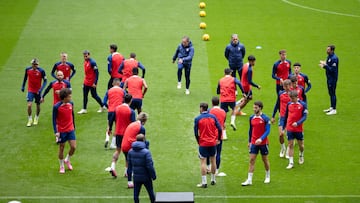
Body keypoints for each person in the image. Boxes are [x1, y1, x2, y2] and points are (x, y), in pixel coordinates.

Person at [241, 101, 271, 186]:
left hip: (263, 143)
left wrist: (261, 139)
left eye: (256, 108)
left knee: (264, 160)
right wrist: (249, 141)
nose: (254, 109)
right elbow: (250, 130)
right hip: (254, 142)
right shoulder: (251, 118)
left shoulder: (265, 118)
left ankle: (267, 176)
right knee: (251, 160)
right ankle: (249, 179)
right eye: (254, 107)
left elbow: (268, 130)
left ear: (260, 108)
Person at [107, 93, 136, 178]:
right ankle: (126, 172)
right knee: (128, 153)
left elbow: (111, 120)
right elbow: (133, 124)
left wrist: (110, 129)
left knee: (118, 150)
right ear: (131, 100)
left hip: (118, 133)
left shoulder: (117, 109)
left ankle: (112, 166)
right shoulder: (131, 111)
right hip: (127, 135)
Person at [194, 102, 222, 188]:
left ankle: (204, 182)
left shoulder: (198, 118)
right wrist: (218, 139)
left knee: (203, 162)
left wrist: (198, 141)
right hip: (212, 143)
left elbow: (195, 132)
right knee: (213, 160)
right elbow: (220, 128)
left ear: (202, 108)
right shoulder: (213, 117)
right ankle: (213, 180)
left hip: (203, 143)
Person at [121, 112, 148, 188]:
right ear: (144, 121)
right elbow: (143, 141)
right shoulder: (141, 128)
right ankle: (131, 181)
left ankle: (127, 174)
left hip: (124, 145)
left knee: (129, 162)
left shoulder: (132, 124)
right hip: (130, 146)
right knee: (133, 164)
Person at [52, 88, 76, 174]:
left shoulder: (71, 104)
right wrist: (56, 131)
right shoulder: (56, 107)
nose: (70, 97)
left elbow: (72, 115)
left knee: (73, 147)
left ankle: (67, 160)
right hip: (62, 130)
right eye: (69, 96)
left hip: (70, 129)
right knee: (61, 148)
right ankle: (61, 166)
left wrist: (74, 126)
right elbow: (54, 120)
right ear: (64, 97)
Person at [283, 90, 308, 169]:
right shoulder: (289, 104)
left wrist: (298, 123)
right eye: (290, 98)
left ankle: (301, 154)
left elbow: (305, 116)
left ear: (297, 97)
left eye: (292, 98)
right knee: (290, 144)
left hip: (298, 129)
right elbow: (286, 115)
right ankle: (291, 162)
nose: (291, 100)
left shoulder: (303, 105)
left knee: (301, 145)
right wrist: (284, 127)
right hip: (290, 128)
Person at [128, 134, 156, 203]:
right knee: (151, 193)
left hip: (136, 177)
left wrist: (129, 179)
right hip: (146, 177)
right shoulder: (146, 152)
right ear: (143, 140)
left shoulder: (130, 151)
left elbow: (129, 166)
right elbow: (150, 166)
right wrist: (153, 175)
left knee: (136, 194)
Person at [21, 58, 47, 127]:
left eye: (36, 64)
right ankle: (29, 119)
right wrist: (23, 86)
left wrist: (41, 89)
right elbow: (25, 78)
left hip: (38, 91)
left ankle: (36, 117)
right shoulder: (28, 69)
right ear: (31, 64)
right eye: (33, 64)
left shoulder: (41, 71)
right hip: (30, 90)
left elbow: (45, 81)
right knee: (29, 105)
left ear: (38, 64)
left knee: (38, 105)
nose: (35, 65)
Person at [102, 78, 126, 149]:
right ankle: (113, 143)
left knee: (109, 126)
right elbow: (126, 100)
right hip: (119, 111)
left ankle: (107, 138)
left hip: (111, 111)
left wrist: (108, 106)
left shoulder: (109, 91)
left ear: (112, 84)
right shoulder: (122, 91)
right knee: (117, 127)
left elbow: (103, 102)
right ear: (119, 84)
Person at [271, 79, 291, 158]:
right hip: (282, 117)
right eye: (284, 86)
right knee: (281, 134)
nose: (286, 88)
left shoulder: (293, 94)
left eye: (287, 86)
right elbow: (277, 104)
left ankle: (288, 150)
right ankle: (283, 148)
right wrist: (273, 116)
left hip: (290, 117)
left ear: (290, 86)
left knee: (289, 136)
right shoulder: (281, 94)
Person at [208, 96, 227, 176]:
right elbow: (224, 122)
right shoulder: (223, 112)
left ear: (212, 103)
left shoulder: (209, 111)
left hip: (210, 135)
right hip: (219, 135)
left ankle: (209, 168)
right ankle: (217, 171)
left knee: (209, 152)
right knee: (218, 153)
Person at [319, 45, 339, 115]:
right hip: (329, 78)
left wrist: (325, 66)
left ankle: (334, 109)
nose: (326, 51)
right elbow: (328, 65)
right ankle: (331, 107)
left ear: (332, 50)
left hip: (333, 79)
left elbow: (332, 70)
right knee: (330, 93)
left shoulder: (334, 59)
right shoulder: (329, 57)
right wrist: (324, 64)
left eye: (328, 50)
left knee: (333, 93)